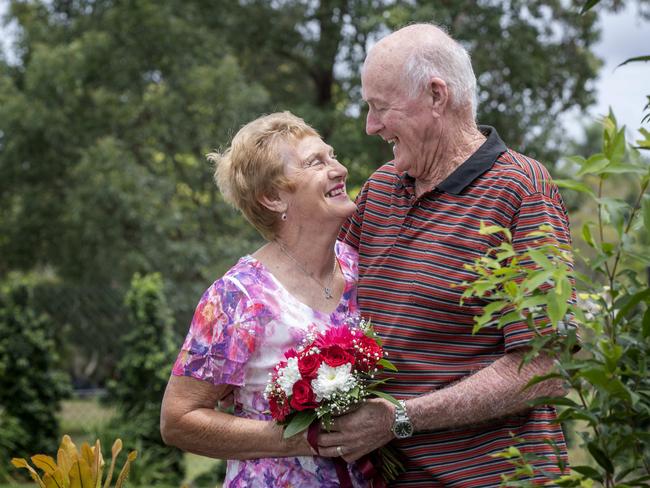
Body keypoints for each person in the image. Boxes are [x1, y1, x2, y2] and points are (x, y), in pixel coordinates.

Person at [316, 24, 573, 486]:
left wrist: (401, 417)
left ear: (437, 96)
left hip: (495, 477)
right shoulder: (379, 190)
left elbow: (544, 366)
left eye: (380, 108)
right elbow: (318, 301)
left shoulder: (519, 190)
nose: (370, 127)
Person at [160, 111, 370, 487]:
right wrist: (300, 439)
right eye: (315, 162)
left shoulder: (362, 271)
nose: (339, 169)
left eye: (332, 155)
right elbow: (179, 420)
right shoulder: (238, 297)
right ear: (273, 197)